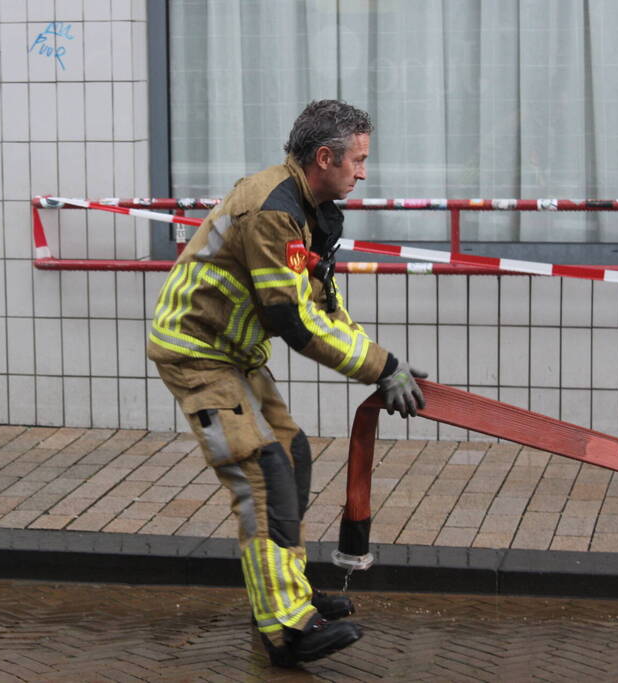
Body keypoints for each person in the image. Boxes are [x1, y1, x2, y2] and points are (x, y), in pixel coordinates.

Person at [147, 99, 427, 667]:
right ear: (325, 157)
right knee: (264, 475)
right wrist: (380, 366)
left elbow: (323, 304)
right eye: (358, 160)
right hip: (197, 353)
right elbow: (293, 321)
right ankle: (286, 627)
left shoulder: (309, 208)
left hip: (233, 354)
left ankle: (287, 591)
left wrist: (385, 362)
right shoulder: (273, 209)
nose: (364, 172)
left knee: (292, 455)